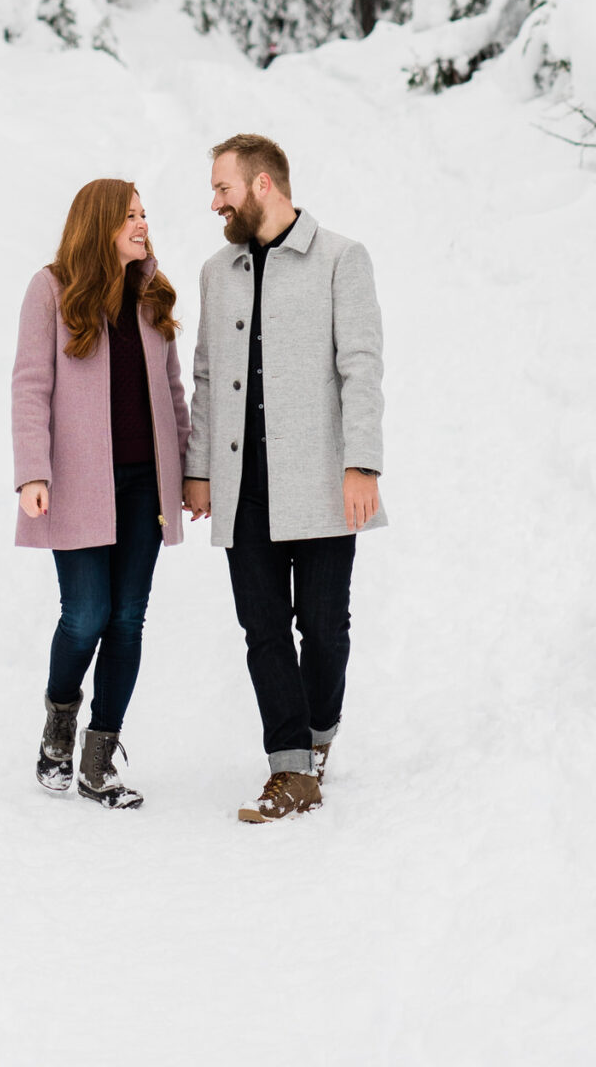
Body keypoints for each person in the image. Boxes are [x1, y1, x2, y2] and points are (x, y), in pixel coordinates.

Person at [182, 131, 385, 823]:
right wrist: (200, 470)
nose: (215, 203)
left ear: (262, 185)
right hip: (244, 487)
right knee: (263, 630)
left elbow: (360, 366)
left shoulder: (340, 259)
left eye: (222, 188)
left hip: (325, 481)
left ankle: (319, 734)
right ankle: (290, 767)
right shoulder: (217, 271)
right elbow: (206, 376)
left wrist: (362, 464)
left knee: (324, 629)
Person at [12, 178, 189, 809]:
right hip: (81, 484)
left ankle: (98, 758)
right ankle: (59, 728)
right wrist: (33, 471)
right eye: (130, 216)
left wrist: (189, 471)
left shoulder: (152, 293)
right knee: (85, 615)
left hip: (147, 486)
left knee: (127, 619)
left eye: (145, 214)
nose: (142, 224)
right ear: (100, 224)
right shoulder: (53, 288)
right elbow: (31, 385)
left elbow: (172, 393)